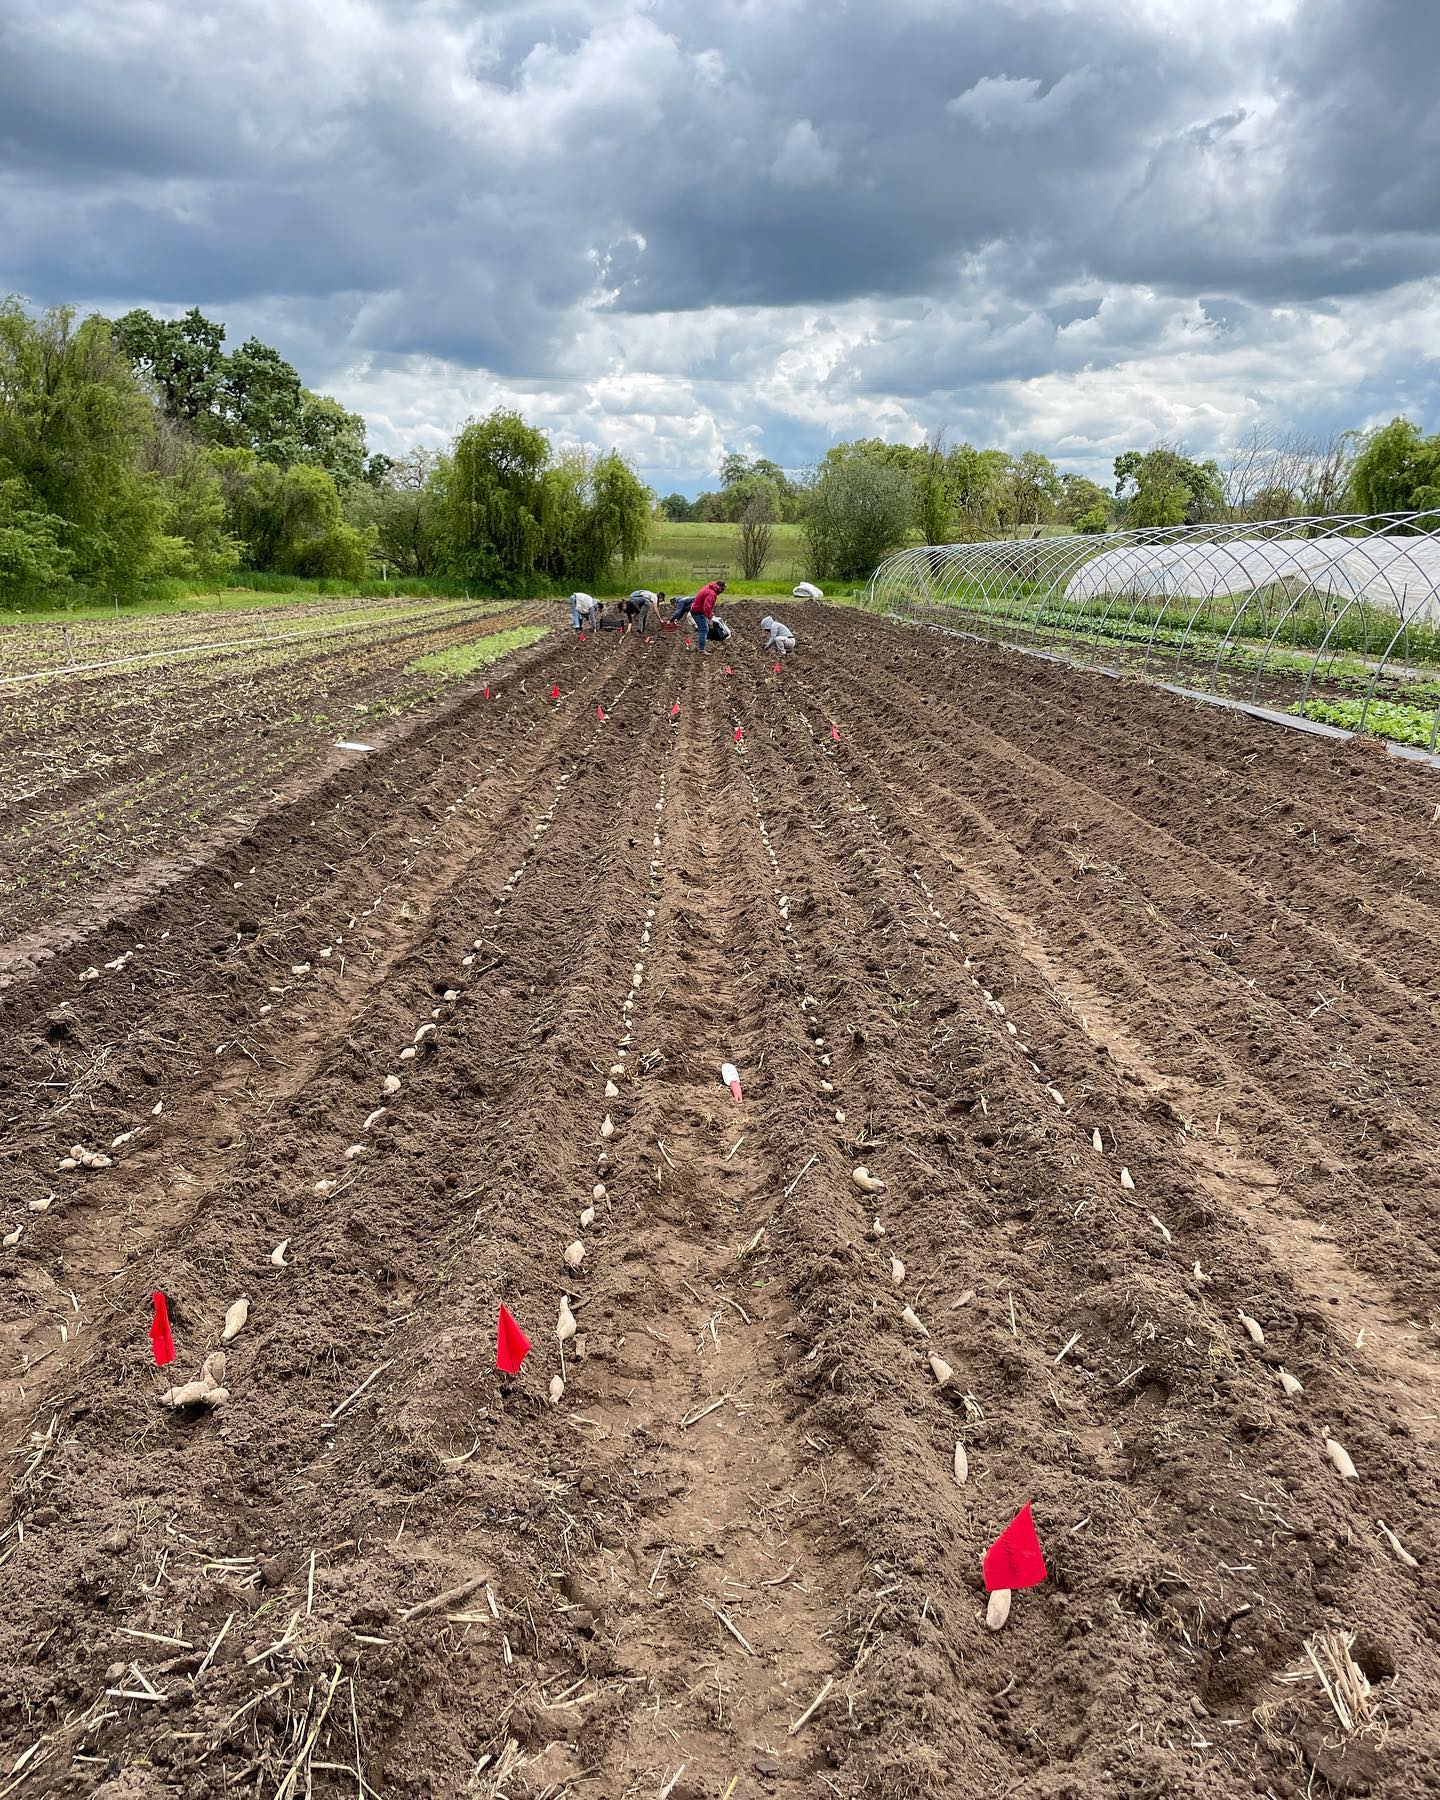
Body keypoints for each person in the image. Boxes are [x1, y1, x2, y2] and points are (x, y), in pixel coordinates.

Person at [689, 578, 726, 653]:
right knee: (704, 629)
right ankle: (701, 650)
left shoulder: (709, 587)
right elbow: (707, 607)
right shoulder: (712, 593)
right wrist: (709, 618)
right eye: (722, 589)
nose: (722, 592)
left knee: (703, 629)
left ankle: (700, 646)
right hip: (698, 611)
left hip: (697, 609)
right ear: (719, 587)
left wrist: (710, 615)